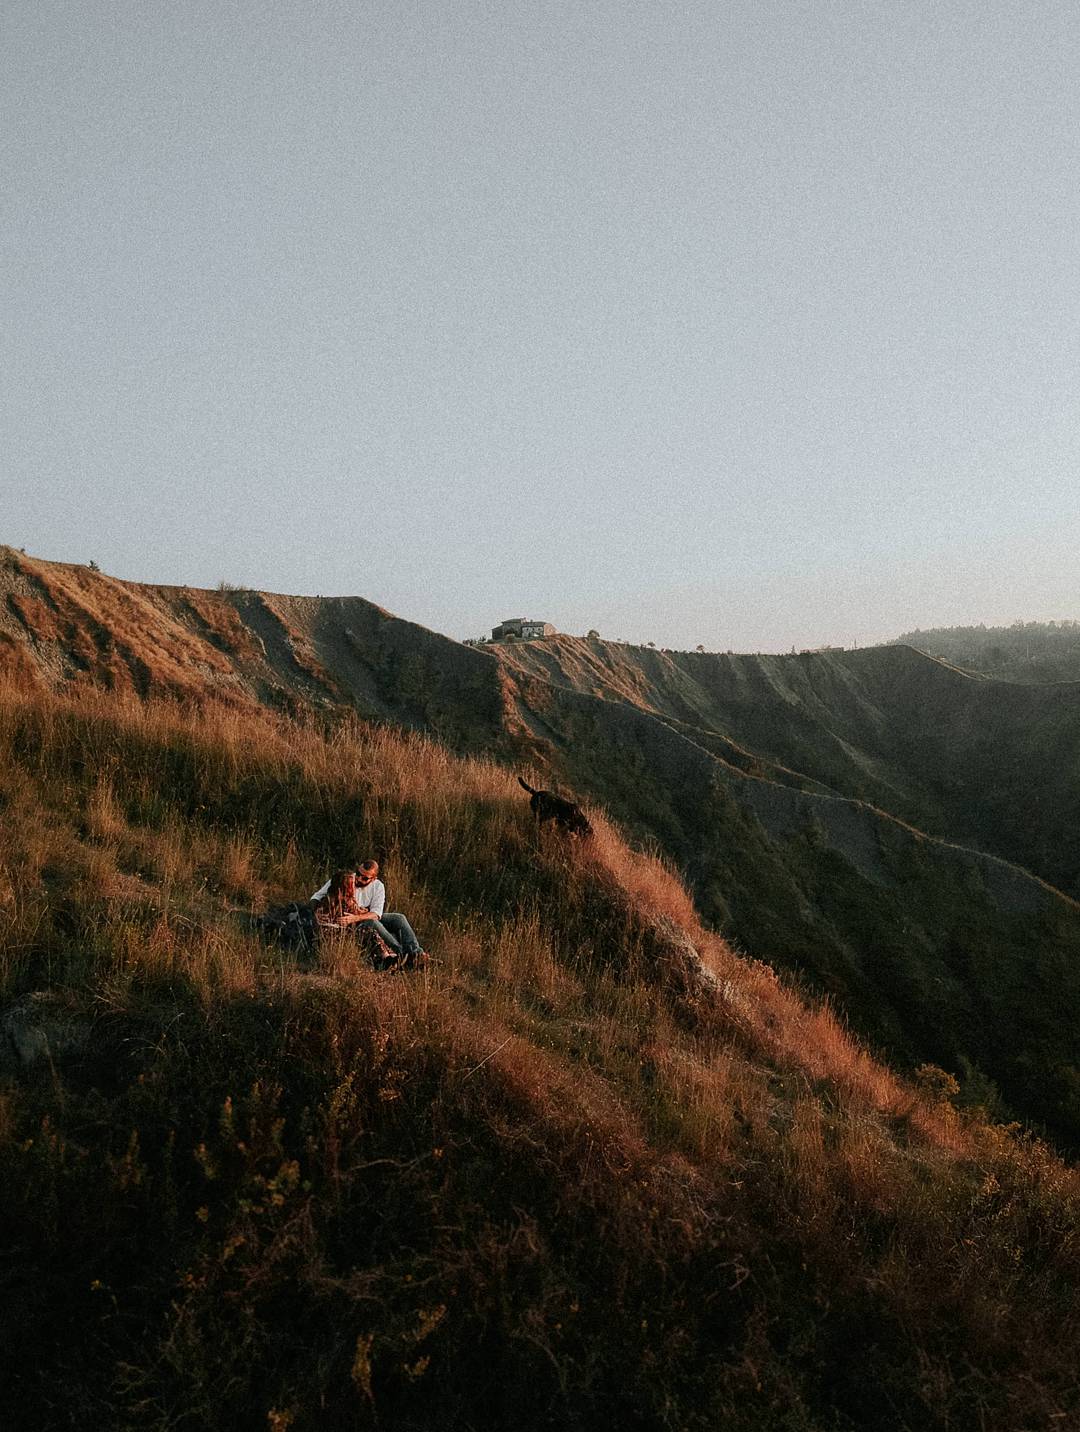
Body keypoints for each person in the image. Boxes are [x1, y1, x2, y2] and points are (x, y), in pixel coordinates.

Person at [311, 859, 427, 963]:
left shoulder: (378, 886)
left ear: (373, 878)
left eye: (365, 878)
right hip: (349, 919)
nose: (359, 879)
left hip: (359, 916)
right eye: (359, 874)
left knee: (398, 918)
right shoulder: (345, 879)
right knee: (372, 922)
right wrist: (317, 915)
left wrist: (356, 916)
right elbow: (316, 897)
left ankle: (416, 953)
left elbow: (376, 914)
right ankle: (402, 953)